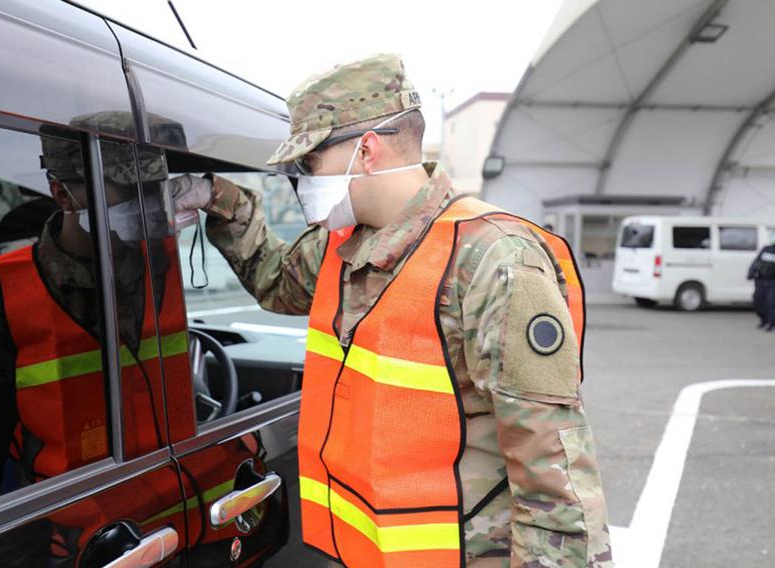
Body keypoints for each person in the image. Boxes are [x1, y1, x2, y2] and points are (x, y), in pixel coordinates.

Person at [173, 54, 612, 566]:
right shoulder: (345, 243)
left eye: (309, 162)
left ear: (367, 149)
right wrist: (214, 196)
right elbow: (277, 283)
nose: (304, 178)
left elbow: (553, 470)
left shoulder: (493, 256)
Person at [0, 111, 193, 563]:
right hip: (82, 548)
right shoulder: (1, 292)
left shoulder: (164, 264)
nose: (145, 203)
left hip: (185, 525)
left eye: (154, 188)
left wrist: (221, 199)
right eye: (126, 190)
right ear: (62, 194)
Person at [748, 237, 775, 331]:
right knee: (758, 302)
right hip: (760, 280)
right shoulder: (766, 249)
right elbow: (756, 262)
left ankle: (772, 324)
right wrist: (750, 273)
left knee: (771, 303)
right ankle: (764, 321)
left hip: (772, 282)